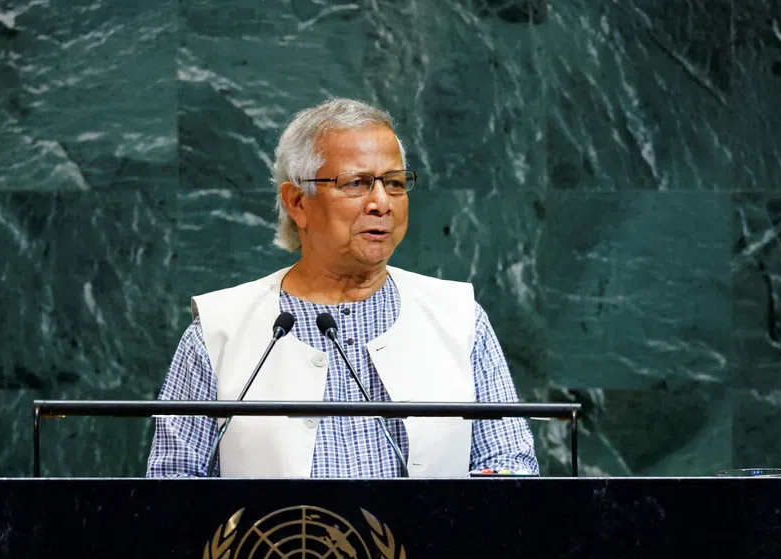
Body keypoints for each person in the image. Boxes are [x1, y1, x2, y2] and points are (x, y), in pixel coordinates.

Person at [147, 97, 538, 478]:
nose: (381, 203)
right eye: (357, 183)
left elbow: (512, 465)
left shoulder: (459, 318)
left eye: (395, 183)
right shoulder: (219, 331)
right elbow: (171, 485)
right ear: (298, 201)